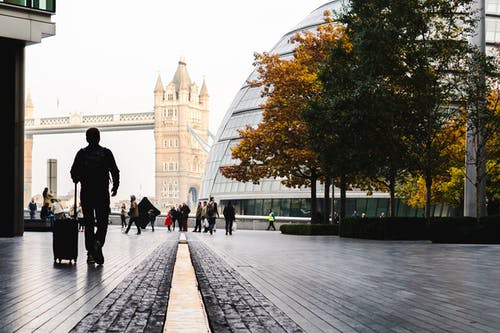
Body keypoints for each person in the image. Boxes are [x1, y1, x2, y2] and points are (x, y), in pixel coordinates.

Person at [70, 127, 120, 265]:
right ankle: (98, 243)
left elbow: (73, 172)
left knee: (89, 223)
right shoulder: (106, 153)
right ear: (99, 138)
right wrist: (115, 186)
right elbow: (115, 171)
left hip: (86, 193)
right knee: (103, 222)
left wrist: (77, 178)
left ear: (87, 138)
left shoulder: (81, 154)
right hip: (102, 193)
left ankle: (90, 253)